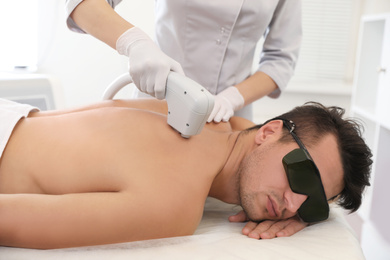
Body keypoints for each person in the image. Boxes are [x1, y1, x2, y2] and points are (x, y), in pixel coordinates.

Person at [0, 98, 371, 249]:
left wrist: (306, 212)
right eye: (302, 175)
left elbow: (256, 139)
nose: (294, 203)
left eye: (315, 203)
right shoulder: (174, 202)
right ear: (268, 132)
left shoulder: (209, 119)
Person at [64, 0, 302, 121]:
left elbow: (281, 58)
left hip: (229, 119)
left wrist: (232, 98)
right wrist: (135, 43)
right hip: (159, 103)